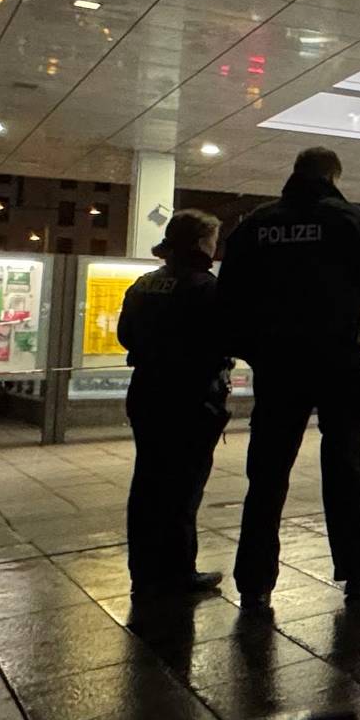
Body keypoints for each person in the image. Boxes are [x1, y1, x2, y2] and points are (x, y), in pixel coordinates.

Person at [216, 146, 360, 604]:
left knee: (266, 472)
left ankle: (254, 580)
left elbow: (230, 294)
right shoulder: (348, 219)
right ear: (333, 176)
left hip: (278, 363)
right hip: (338, 358)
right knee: (345, 465)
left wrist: (255, 346)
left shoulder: (258, 224)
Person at [116, 208, 232, 599]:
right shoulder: (206, 288)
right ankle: (179, 572)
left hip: (147, 391)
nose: (216, 247)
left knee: (147, 483)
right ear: (201, 243)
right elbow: (224, 340)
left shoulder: (144, 284)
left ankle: (144, 570)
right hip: (190, 399)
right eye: (213, 239)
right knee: (183, 489)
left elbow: (125, 335)